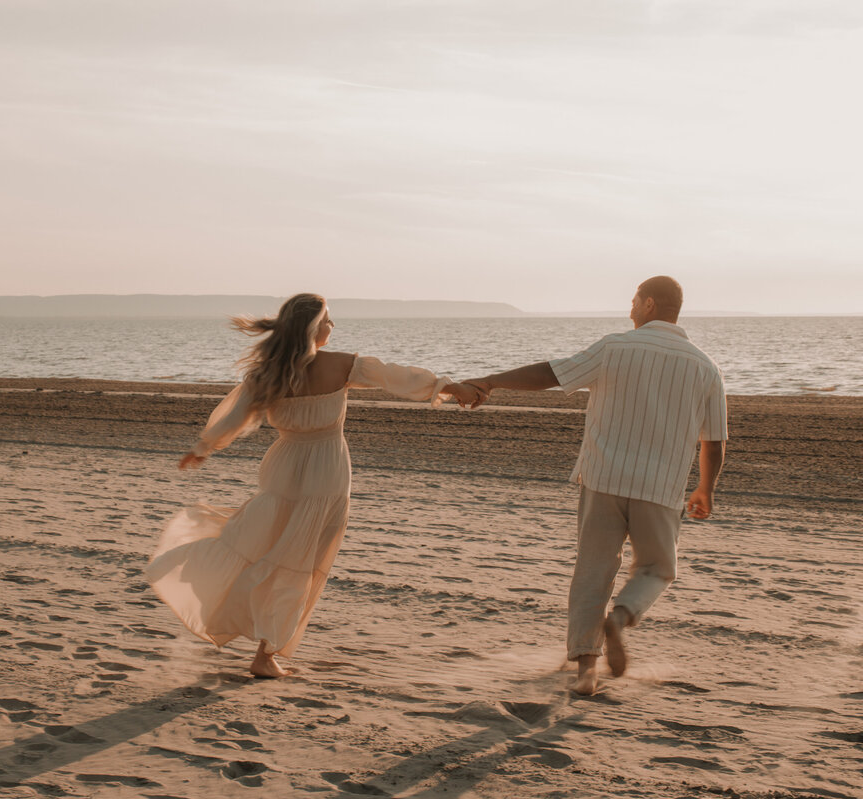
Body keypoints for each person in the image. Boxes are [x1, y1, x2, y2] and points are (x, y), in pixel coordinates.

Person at [145, 293, 486, 678]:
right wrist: (448, 386)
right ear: (311, 327)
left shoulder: (266, 373)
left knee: (266, 547)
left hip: (283, 467)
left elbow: (234, 418)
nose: (332, 327)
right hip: (326, 471)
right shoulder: (342, 365)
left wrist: (204, 447)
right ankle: (266, 652)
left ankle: (257, 636)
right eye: (327, 320)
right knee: (302, 563)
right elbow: (396, 376)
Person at [462, 276, 727, 695]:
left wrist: (492, 380)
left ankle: (586, 668)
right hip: (660, 487)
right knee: (658, 568)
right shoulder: (705, 365)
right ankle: (619, 619)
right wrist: (705, 489)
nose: (630, 309)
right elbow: (713, 440)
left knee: (593, 571)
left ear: (650, 304)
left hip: (603, 477)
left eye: (634, 301)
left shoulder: (615, 346)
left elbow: (552, 373)